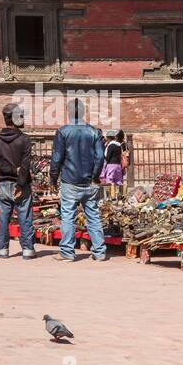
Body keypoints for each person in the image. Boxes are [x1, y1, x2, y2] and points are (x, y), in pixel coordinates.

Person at [50, 98, 106, 262]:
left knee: (68, 216)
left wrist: (53, 178)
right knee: (93, 215)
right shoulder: (94, 132)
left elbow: (57, 158)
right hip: (89, 181)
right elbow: (100, 157)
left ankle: (67, 252)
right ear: (84, 112)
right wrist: (95, 177)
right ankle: (100, 251)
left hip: (70, 180)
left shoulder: (63, 131)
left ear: (68, 112)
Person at [0, 104, 35, 260]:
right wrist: (20, 182)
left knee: (3, 218)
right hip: (22, 183)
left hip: (3, 183)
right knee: (25, 217)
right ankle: (28, 249)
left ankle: (1, 249)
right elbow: (26, 164)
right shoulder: (24, 139)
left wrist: (9, 170)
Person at [100, 128, 126, 198]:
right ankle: (121, 197)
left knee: (110, 182)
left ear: (108, 138)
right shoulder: (119, 145)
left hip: (111, 165)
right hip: (118, 166)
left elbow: (107, 157)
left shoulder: (111, 145)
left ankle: (111, 198)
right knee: (119, 182)